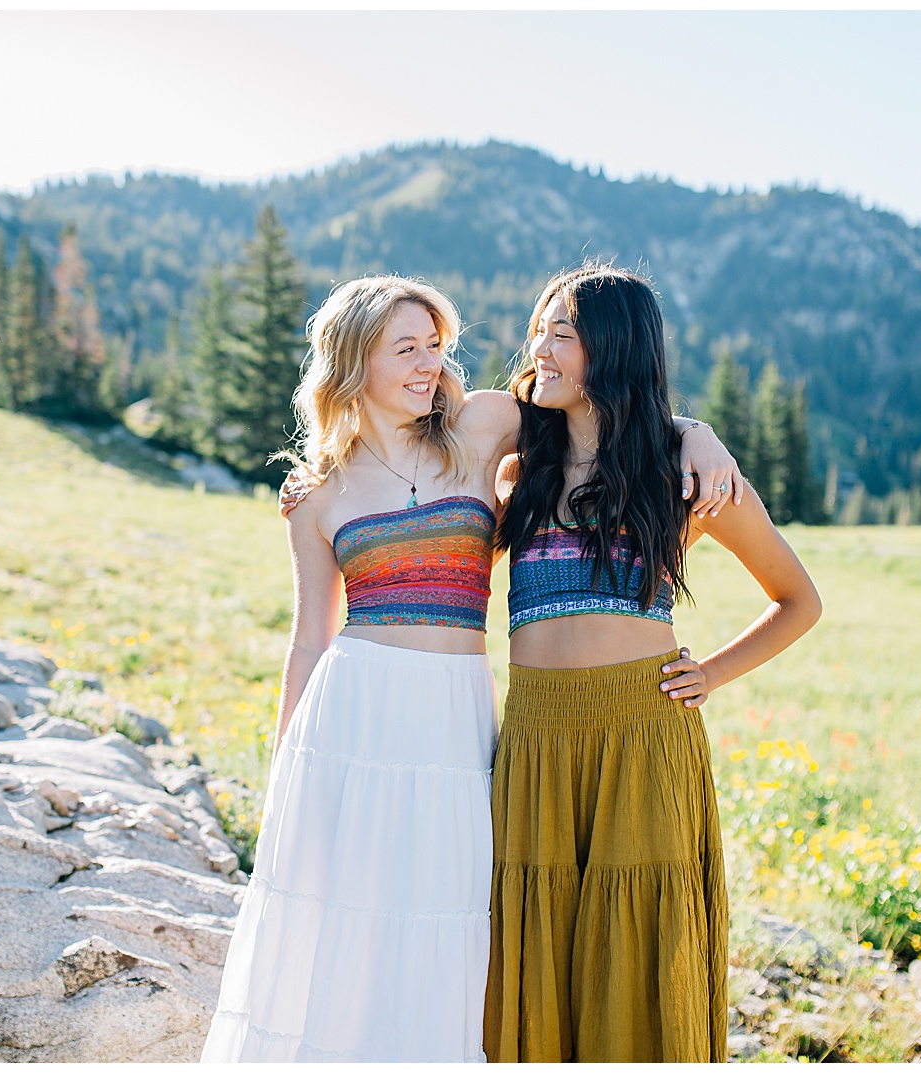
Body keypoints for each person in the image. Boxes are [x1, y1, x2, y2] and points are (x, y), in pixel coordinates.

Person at [202, 275, 742, 1062]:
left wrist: (696, 432)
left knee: (455, 916)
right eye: (406, 348)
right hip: (354, 711)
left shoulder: (481, 426)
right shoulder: (317, 494)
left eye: (436, 346)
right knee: (344, 913)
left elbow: (608, 405)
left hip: (457, 711)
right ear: (354, 360)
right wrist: (284, 767)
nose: (429, 364)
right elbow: (309, 642)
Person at [484, 264, 822, 1062]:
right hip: (535, 741)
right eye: (539, 329)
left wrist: (712, 673)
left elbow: (797, 599)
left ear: (614, 348)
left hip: (643, 734)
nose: (540, 348)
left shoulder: (685, 472)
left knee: (637, 952)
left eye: (561, 333)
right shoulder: (515, 464)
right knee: (534, 953)